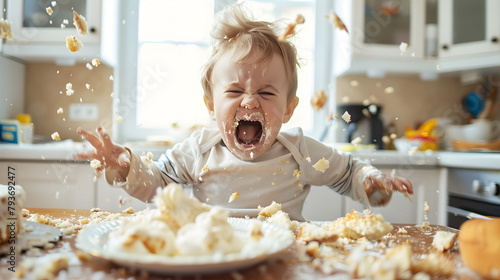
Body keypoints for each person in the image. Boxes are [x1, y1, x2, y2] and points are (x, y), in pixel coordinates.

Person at [76, 3, 413, 221]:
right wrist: (124, 165)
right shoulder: (199, 150)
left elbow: (347, 173)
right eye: (235, 91)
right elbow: (156, 184)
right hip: (212, 254)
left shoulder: (301, 150)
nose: (250, 102)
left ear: (289, 108)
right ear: (211, 105)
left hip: (285, 255)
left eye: (266, 93)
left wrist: (372, 182)